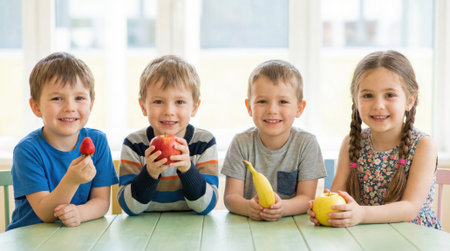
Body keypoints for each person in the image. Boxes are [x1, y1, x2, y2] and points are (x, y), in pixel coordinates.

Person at [308, 50, 441, 229]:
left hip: (413, 236)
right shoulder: (351, 142)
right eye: (368, 95)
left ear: (410, 100)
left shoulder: (423, 146)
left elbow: (409, 209)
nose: (378, 105)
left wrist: (361, 214)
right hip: (365, 234)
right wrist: (330, 212)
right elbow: (338, 195)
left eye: (389, 95)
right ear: (356, 100)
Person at [7, 52, 118, 230]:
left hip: (75, 238)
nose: (70, 107)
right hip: (31, 239)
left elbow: (102, 202)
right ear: (36, 107)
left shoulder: (98, 141)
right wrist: (72, 180)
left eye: (79, 98)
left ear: (91, 105)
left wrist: (79, 214)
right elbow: (45, 213)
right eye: (57, 98)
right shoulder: (27, 150)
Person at [221, 59, 326, 221]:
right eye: (262, 101)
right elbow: (231, 198)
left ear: (299, 108)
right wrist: (248, 208)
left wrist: (282, 208)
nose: (272, 110)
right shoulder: (241, 143)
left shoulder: (306, 144)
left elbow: (306, 198)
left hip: (292, 227)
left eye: (283, 102)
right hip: (248, 228)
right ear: (249, 107)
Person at [117, 55, 218, 215]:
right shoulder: (134, 145)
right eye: (158, 102)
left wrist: (187, 169)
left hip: (192, 230)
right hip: (143, 232)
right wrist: (150, 173)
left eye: (179, 102)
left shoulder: (204, 142)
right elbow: (130, 207)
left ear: (194, 107)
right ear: (143, 106)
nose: (169, 112)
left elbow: (206, 206)